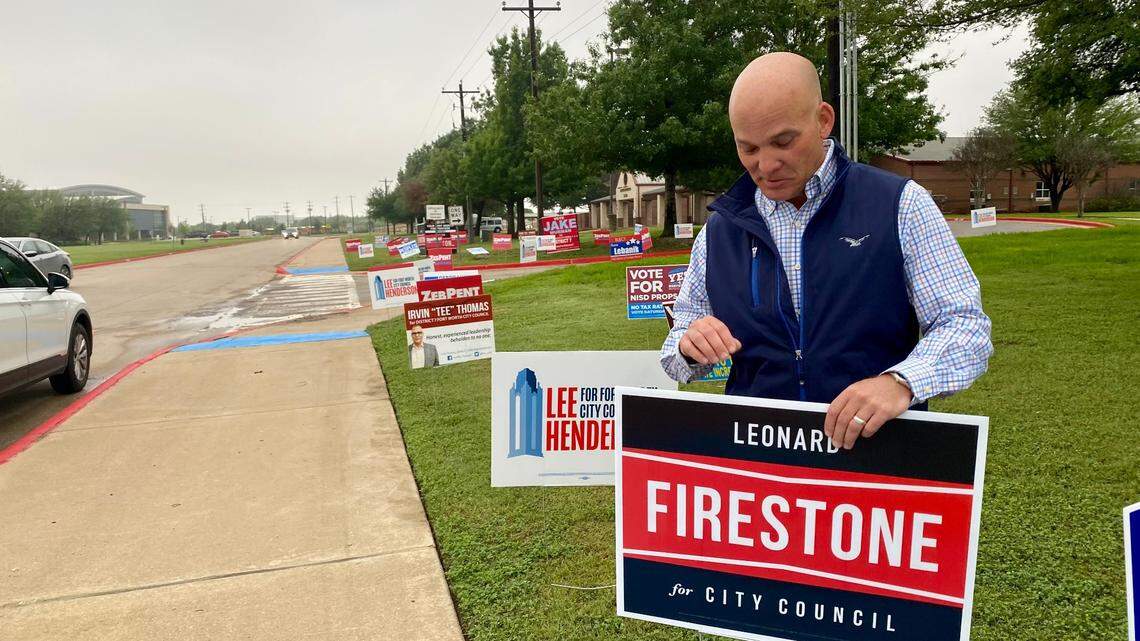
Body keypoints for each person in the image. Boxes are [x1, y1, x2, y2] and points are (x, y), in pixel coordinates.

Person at [660, 52, 992, 450]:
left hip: (876, 455)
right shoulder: (720, 231)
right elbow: (677, 349)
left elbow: (964, 325)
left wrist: (901, 382)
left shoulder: (898, 204)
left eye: (783, 142)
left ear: (823, 120)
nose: (766, 165)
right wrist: (690, 344)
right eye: (748, 149)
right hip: (759, 462)